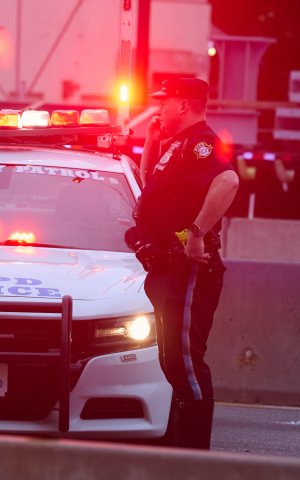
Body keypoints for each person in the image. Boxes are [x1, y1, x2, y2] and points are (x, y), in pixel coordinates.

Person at [129, 76, 239, 449]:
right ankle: (177, 449)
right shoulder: (175, 145)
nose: (158, 108)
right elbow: (151, 188)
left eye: (164, 101)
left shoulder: (201, 145)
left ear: (183, 105)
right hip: (167, 270)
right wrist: (150, 144)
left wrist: (195, 234)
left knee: (187, 363)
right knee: (172, 362)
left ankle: (194, 457)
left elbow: (228, 181)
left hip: (188, 270)